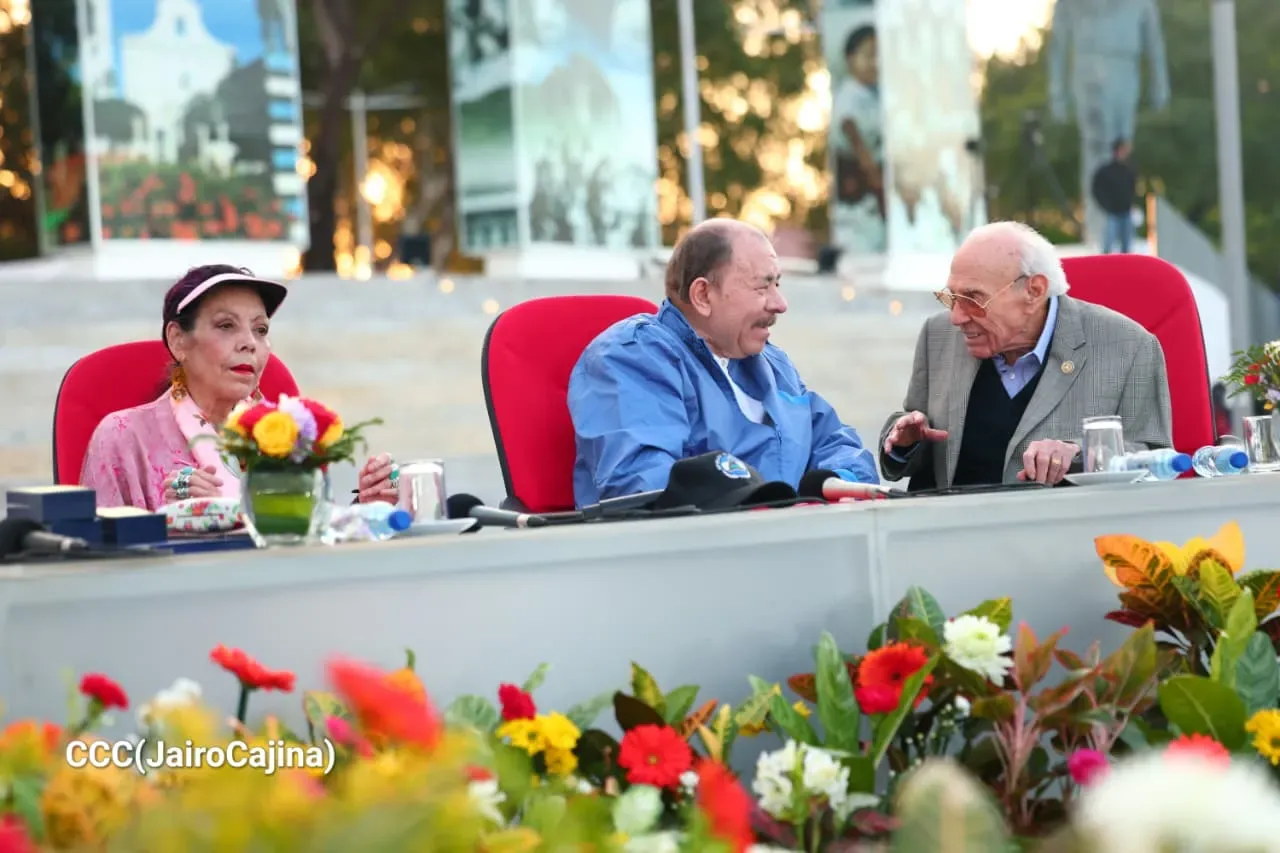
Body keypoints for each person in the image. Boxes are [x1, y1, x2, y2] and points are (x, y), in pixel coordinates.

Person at [568, 218, 879, 508]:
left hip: (793, 550)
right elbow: (645, 489)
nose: (780, 304)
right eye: (762, 287)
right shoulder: (633, 357)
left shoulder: (774, 364)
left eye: (777, 285)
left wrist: (836, 482)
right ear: (703, 295)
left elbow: (840, 446)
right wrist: (756, 506)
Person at [878, 221, 1172, 489]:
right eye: (951, 297)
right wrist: (905, 442)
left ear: (1034, 291)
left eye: (972, 299)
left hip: (1071, 536)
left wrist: (1080, 454)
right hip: (956, 532)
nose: (956, 317)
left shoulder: (1128, 347)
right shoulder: (937, 334)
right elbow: (919, 436)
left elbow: (1156, 461)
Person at [80, 264, 400, 510]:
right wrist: (177, 521)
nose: (250, 343)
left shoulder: (281, 435)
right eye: (226, 325)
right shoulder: (122, 436)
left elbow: (308, 549)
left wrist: (366, 507)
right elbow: (95, 565)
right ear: (178, 340)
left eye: (260, 329)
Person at [829, 24, 885, 254]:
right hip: (859, 192)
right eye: (869, 55)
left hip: (873, 196)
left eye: (879, 55)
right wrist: (873, 173)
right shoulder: (850, 94)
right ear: (850, 59)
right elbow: (849, 127)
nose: (876, 62)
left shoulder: (877, 95)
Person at [1092, 139, 1138, 254]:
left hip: (1126, 212)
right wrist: (1106, 205)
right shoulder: (1106, 171)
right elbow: (1097, 189)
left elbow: (1132, 188)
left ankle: (1125, 269)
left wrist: (1130, 203)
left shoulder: (1129, 170)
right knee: (1108, 244)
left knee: (1127, 246)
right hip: (1112, 213)